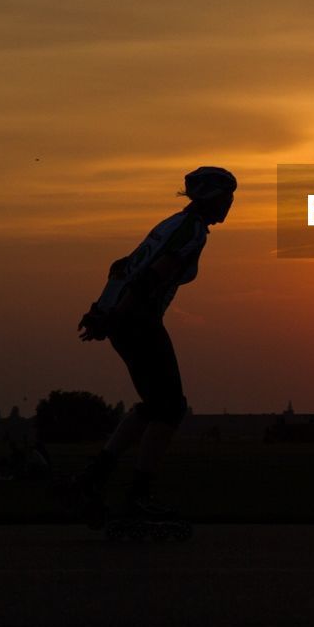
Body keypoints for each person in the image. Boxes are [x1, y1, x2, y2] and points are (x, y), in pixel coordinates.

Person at [75, 166, 237, 524]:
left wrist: (103, 310)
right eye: (228, 198)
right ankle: (137, 495)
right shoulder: (192, 231)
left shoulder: (169, 224)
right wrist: (116, 315)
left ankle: (94, 477)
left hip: (126, 319)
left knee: (155, 404)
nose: (230, 205)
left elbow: (121, 267)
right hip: (139, 321)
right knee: (170, 408)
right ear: (213, 198)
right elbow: (150, 276)